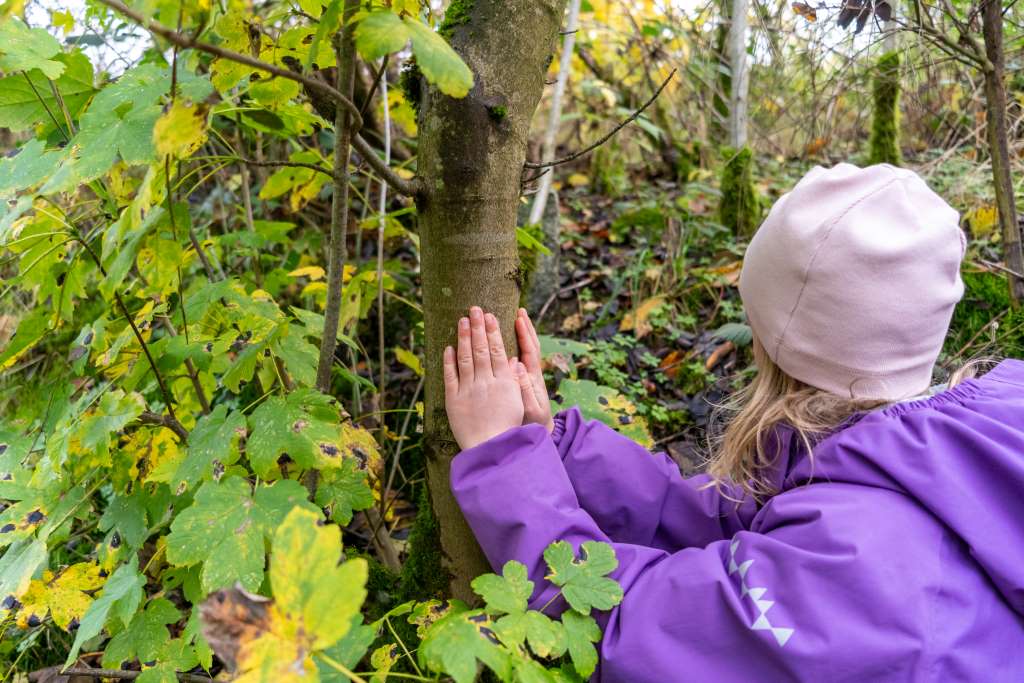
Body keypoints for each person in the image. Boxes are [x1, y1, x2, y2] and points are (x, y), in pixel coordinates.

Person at [441, 163, 1024, 681]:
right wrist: (555, 448)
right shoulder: (934, 451)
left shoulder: (854, 567)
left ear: (782, 339)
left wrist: (503, 458)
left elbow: (631, 630)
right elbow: (723, 517)